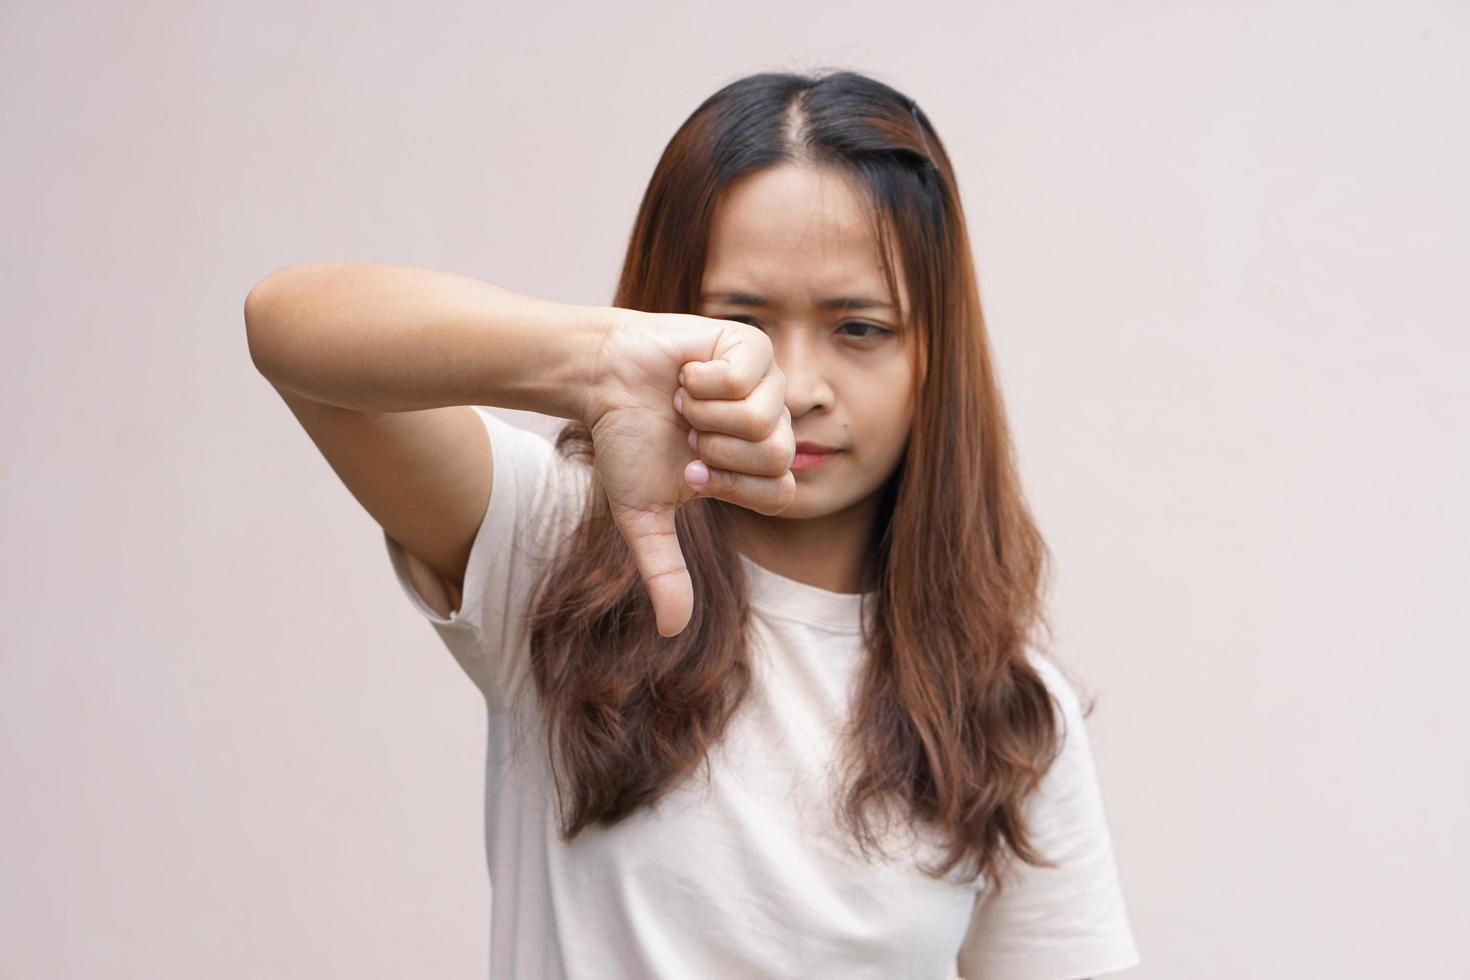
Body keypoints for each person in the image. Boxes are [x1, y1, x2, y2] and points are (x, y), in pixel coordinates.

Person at [244, 69, 1140, 980]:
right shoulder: (558, 552)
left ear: (934, 356)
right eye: (733, 324)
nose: (794, 386)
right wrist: (597, 362)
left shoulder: (1006, 707)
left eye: (860, 328)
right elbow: (287, 327)